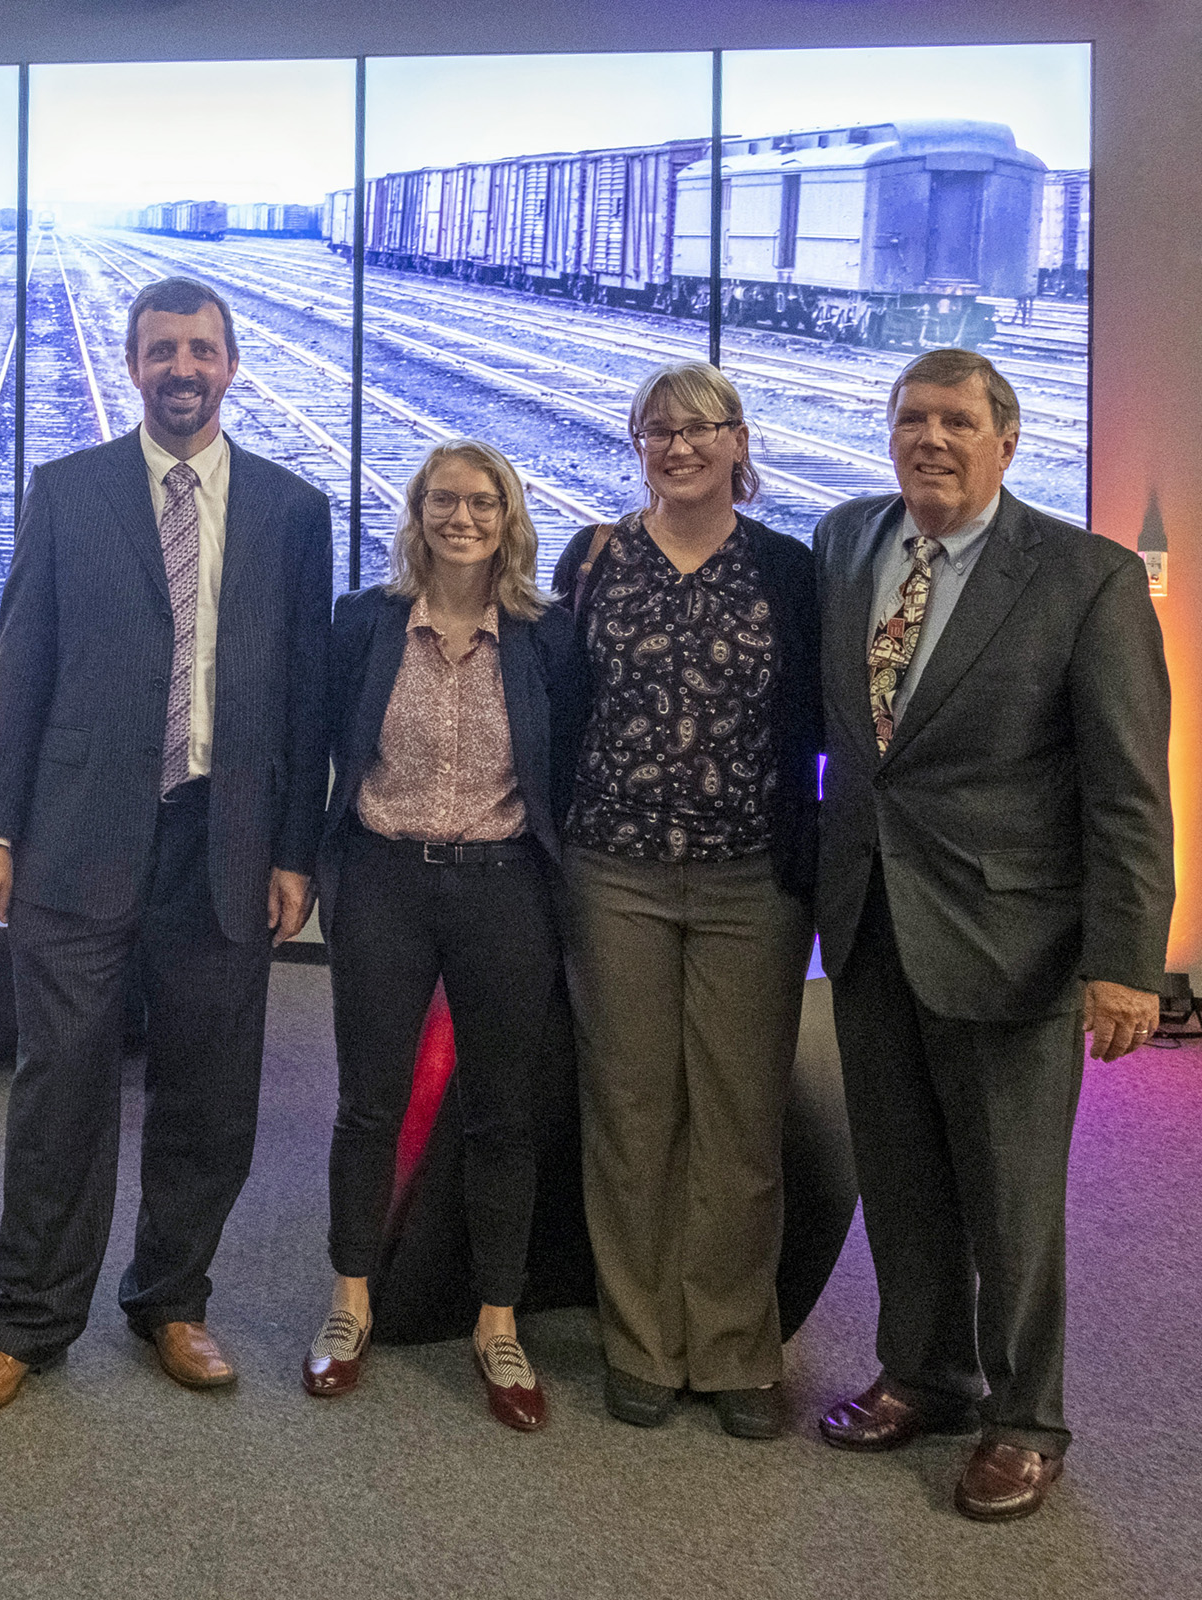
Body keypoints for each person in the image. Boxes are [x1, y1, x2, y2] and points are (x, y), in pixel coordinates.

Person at [0, 276, 333, 1416]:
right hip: (75, 839)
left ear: (232, 364)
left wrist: (294, 848)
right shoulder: (67, 494)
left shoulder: (296, 514)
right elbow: (23, 674)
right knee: (62, 1091)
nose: (181, 367)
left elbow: (305, 702)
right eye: (161, 350)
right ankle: (28, 1325)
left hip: (227, 840)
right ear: (134, 363)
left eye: (200, 348)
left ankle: (172, 1299)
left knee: (210, 1094)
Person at [812, 348, 1171, 1522]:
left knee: (1012, 1198)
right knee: (903, 1177)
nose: (932, 439)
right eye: (912, 417)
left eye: (958, 420)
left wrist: (1125, 961)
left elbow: (1127, 790)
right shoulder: (849, 541)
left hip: (1011, 939)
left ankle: (1028, 1420)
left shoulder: (1087, 578)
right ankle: (927, 1373)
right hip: (870, 921)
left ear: (1006, 441)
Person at [549, 360, 820, 1439]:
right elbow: (564, 708)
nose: (680, 445)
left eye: (702, 427)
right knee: (630, 1112)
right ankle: (641, 1340)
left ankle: (733, 1344)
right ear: (639, 446)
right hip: (613, 872)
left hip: (751, 880)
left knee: (740, 1117)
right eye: (657, 429)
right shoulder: (595, 557)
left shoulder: (790, 571)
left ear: (740, 442)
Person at [303, 439, 575, 1431]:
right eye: (443, 501)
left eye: (483, 502)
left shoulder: (549, 637)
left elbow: (569, 769)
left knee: (503, 1113)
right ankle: (350, 1302)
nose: (462, 518)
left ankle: (496, 1321)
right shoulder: (362, 625)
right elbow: (315, 748)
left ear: (510, 518)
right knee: (366, 1105)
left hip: (505, 889)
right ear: (416, 514)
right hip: (384, 881)